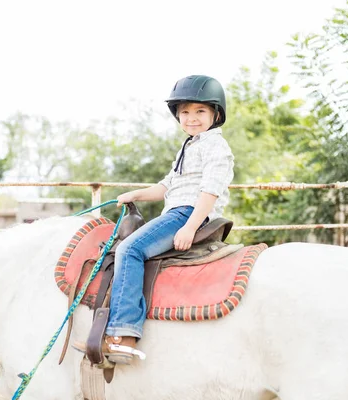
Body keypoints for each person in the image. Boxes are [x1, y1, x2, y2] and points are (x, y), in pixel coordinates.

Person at [76, 75, 235, 364]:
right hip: (178, 209)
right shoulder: (190, 146)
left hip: (188, 213)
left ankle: (123, 334)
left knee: (129, 250)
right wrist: (133, 193)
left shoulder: (215, 146)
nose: (192, 118)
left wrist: (189, 226)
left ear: (216, 114)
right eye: (185, 112)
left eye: (200, 111)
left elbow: (210, 189)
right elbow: (165, 187)